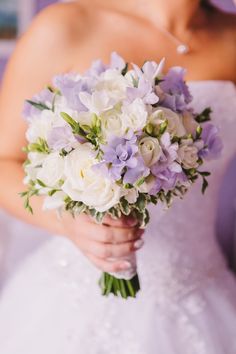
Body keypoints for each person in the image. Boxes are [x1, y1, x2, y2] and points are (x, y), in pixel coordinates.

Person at [0, 0, 235, 353]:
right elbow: (3, 160)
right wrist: (70, 223)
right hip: (74, 305)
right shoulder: (67, 24)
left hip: (204, 294)